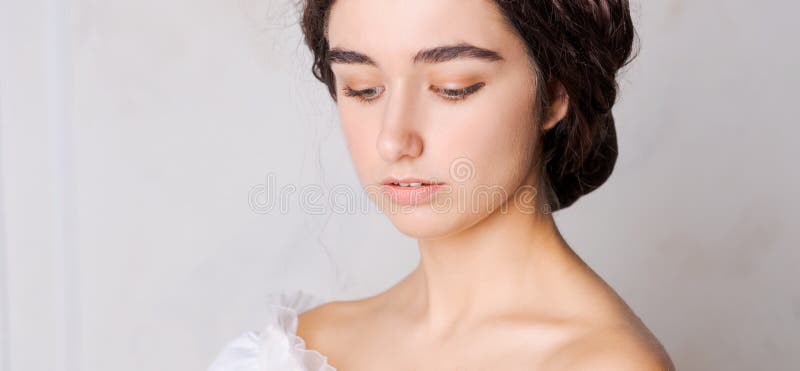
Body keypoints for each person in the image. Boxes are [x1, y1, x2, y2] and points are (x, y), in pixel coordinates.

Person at [210, 0, 675, 369]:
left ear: (555, 93)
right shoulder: (286, 351)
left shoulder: (606, 363)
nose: (394, 140)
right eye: (363, 88)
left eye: (453, 87)